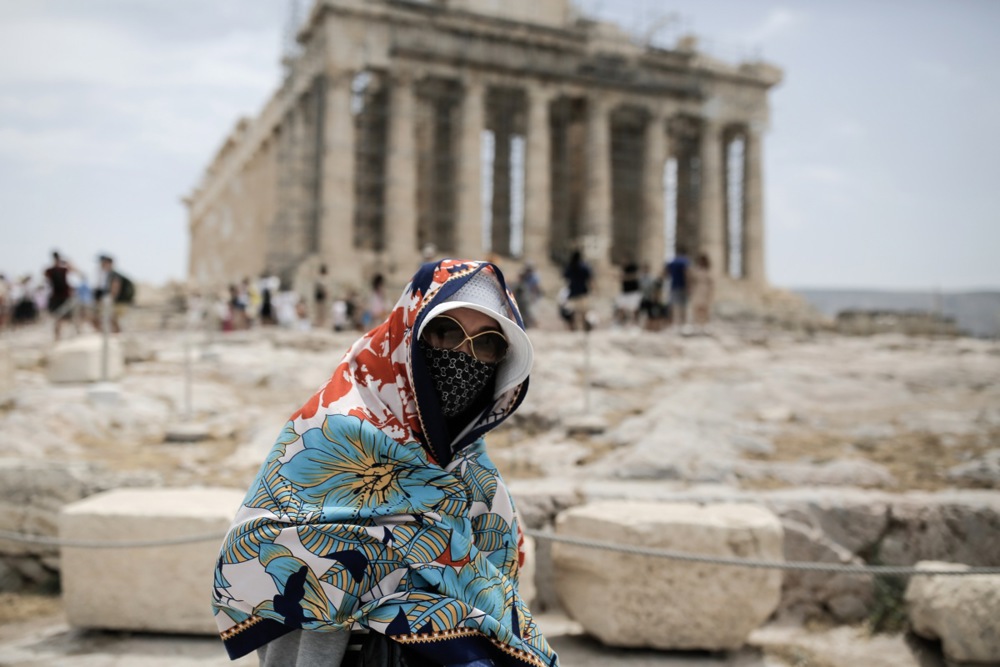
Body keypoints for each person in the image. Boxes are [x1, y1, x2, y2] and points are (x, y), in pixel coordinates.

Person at [211, 259, 558, 667]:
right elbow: (253, 553)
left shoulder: (477, 475)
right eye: (446, 332)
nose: (463, 354)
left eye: (487, 343)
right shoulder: (328, 433)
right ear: (408, 336)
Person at [93, 254, 134, 333]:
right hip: (119, 302)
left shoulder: (113, 275)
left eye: (103, 263)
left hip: (120, 302)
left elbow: (115, 288)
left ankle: (116, 334)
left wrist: (110, 299)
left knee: (110, 317)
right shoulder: (110, 274)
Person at [44, 251, 75, 340]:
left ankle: (60, 335)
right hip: (57, 297)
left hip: (63, 297)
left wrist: (66, 262)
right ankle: (58, 336)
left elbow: (73, 269)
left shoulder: (62, 270)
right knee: (57, 317)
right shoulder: (52, 270)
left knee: (63, 318)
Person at [561, 250, 592, 331]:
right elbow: (589, 278)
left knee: (574, 312)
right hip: (583, 292)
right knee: (583, 312)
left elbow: (565, 277)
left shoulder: (570, 267)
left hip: (573, 292)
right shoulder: (583, 267)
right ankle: (583, 328)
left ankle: (575, 328)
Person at [665, 247, 691, 328]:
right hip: (683, 286)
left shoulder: (672, 262)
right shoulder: (685, 261)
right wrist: (689, 286)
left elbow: (665, 273)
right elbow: (687, 274)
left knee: (675, 305)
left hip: (674, 286)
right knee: (683, 305)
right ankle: (683, 323)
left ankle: (675, 323)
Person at [689, 252, 715, 332]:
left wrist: (710, 292)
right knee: (697, 307)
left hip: (705, 290)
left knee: (705, 308)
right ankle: (696, 324)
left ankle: (704, 324)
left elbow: (711, 283)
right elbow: (692, 280)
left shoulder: (709, 271)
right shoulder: (696, 270)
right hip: (697, 290)